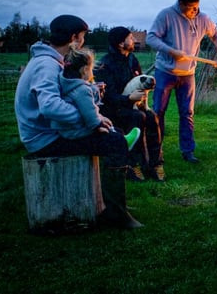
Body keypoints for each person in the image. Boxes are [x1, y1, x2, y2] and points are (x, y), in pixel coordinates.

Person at [14, 14, 142, 229]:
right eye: (82, 36)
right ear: (74, 38)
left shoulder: (49, 60)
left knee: (115, 132)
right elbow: (50, 107)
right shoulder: (47, 65)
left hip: (52, 132)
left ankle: (107, 204)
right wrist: (88, 119)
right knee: (115, 142)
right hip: (45, 139)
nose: (82, 41)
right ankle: (116, 214)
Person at [147, 0, 217, 164]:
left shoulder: (203, 19)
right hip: (165, 72)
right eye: (191, 7)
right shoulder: (166, 15)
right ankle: (155, 150)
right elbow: (151, 38)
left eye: (197, 7)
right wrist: (170, 51)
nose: (195, 11)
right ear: (181, 4)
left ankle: (188, 151)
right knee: (158, 111)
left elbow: (216, 35)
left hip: (188, 75)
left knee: (187, 113)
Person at [95, 26, 164, 182]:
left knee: (152, 116)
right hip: (113, 109)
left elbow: (140, 82)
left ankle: (155, 164)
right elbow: (107, 96)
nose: (134, 40)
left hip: (134, 104)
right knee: (137, 117)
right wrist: (128, 100)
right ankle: (133, 164)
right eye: (131, 37)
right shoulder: (105, 65)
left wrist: (147, 89)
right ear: (121, 43)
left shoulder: (133, 59)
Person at [56, 44, 141, 152]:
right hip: (76, 132)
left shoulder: (67, 83)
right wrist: (98, 125)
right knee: (110, 133)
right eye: (91, 69)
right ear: (85, 70)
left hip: (66, 129)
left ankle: (120, 139)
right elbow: (90, 112)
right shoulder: (83, 90)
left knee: (114, 129)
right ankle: (124, 144)